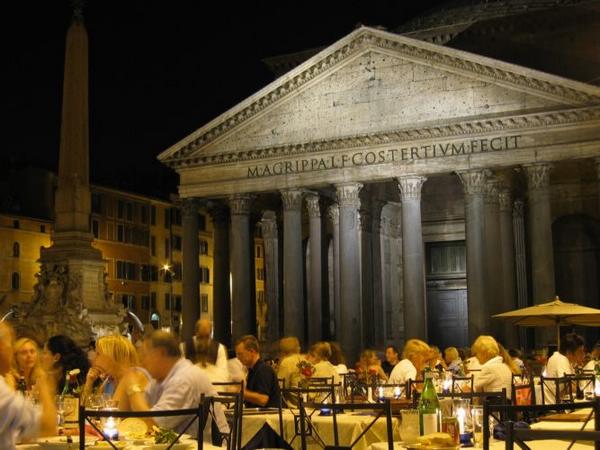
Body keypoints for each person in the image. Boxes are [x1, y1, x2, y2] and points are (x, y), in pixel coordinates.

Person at [120, 330, 228, 438]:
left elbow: (153, 424)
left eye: (145, 355)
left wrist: (133, 387)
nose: (142, 362)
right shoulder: (159, 380)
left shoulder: (183, 379)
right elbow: (138, 418)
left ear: (160, 353)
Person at [0, 322, 56, 449]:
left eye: (32, 351)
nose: (29, 356)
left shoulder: (37, 376)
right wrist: (45, 388)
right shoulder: (5, 384)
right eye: (10, 343)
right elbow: (47, 425)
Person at [82, 334, 150, 410]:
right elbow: (87, 410)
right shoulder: (109, 381)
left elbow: (117, 412)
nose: (95, 359)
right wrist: (89, 381)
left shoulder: (135, 377)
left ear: (111, 356)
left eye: (99, 354)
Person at [235, 335, 281, 408]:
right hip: (257, 414)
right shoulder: (252, 370)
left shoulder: (264, 369)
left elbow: (263, 400)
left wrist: (241, 392)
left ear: (252, 352)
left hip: (268, 416)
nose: (237, 358)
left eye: (240, 354)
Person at [544, 332, 586, 403]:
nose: (583, 355)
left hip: (556, 405)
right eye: (580, 351)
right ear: (569, 352)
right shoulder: (561, 360)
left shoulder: (556, 357)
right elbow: (570, 387)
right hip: (557, 409)